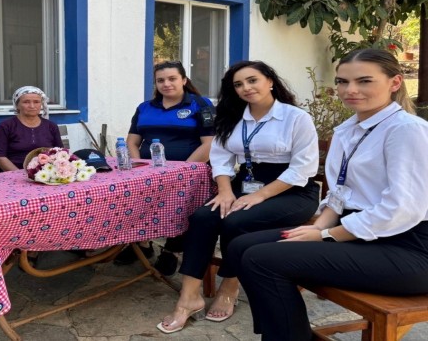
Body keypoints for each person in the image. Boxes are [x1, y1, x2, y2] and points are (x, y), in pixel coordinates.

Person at [229, 49, 428, 341]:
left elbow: (402, 209)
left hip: (407, 249)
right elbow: (340, 192)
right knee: (240, 246)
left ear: (395, 83)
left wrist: (327, 235)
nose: (351, 90)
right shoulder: (349, 129)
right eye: (343, 82)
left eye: (364, 81)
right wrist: (318, 226)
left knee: (262, 260)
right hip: (358, 234)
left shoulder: (407, 130)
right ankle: (284, 332)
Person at [157, 60, 319, 334]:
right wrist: (225, 190)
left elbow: (304, 168)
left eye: (252, 80)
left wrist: (261, 196)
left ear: (270, 81)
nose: (246, 88)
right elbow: (220, 158)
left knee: (235, 221)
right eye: (239, 84)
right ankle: (189, 297)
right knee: (203, 217)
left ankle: (229, 285)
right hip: (243, 184)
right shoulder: (232, 116)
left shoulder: (295, 117)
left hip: (292, 190)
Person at [118, 60, 215, 274]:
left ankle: (172, 251)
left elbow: (210, 143)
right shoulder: (144, 108)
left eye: (172, 78)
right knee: (140, 206)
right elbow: (132, 142)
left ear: (184, 80)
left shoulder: (200, 104)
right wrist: (136, 167)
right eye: (160, 80)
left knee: (180, 211)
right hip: (146, 172)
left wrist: (182, 172)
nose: (166, 84)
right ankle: (142, 244)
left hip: (188, 173)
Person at [0, 86, 63, 172]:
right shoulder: (6, 126)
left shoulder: (51, 126)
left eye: (36, 102)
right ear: (17, 105)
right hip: (12, 174)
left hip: (44, 174)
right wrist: (19, 174)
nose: (32, 106)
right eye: (26, 102)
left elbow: (60, 153)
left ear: (41, 104)